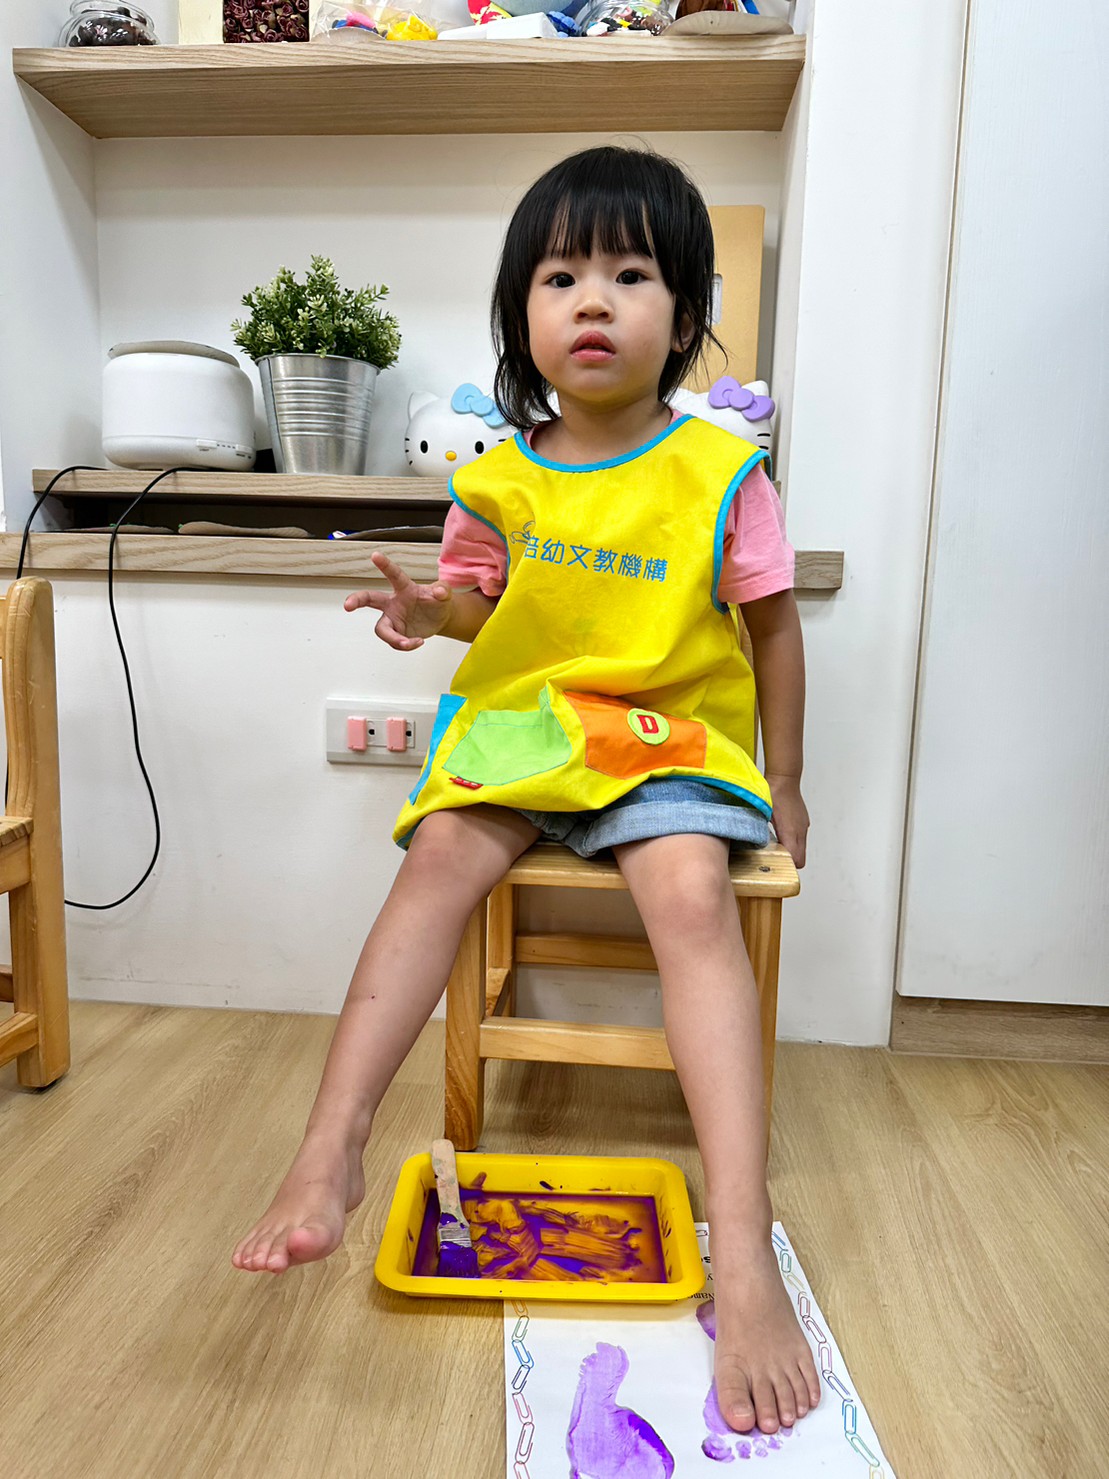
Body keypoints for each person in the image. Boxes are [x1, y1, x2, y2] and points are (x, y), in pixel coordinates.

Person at [233, 144, 819, 1438]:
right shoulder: (495, 475)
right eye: (560, 277)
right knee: (436, 860)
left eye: (630, 274)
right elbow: (475, 606)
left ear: (685, 315)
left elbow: (774, 631)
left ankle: (743, 1239)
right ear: (521, 316)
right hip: (522, 729)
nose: (593, 299)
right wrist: (425, 615)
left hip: (667, 735)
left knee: (688, 896)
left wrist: (784, 779)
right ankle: (330, 1145)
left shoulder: (723, 471)